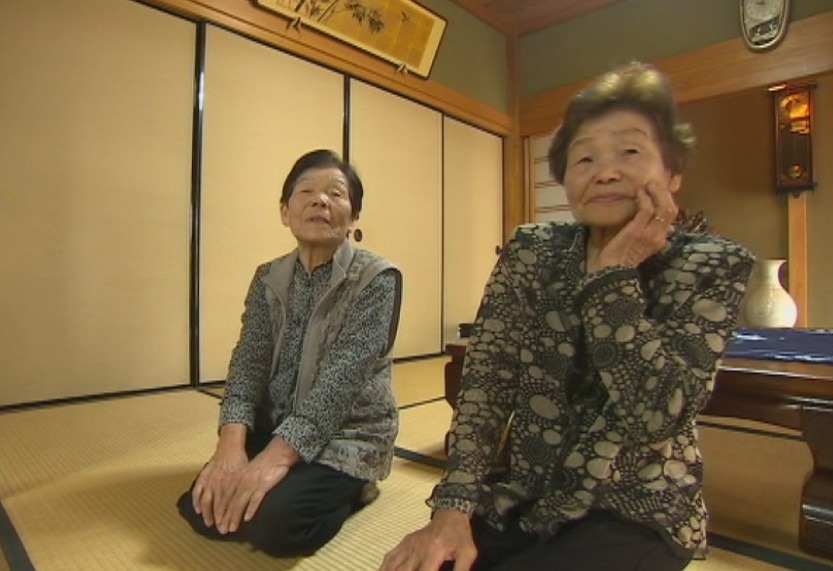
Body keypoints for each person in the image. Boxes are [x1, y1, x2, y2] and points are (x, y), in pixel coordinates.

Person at [381, 62, 754, 571]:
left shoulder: (710, 264)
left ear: (671, 173)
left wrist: (614, 275)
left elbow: (657, 417)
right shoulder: (533, 250)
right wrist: (450, 511)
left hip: (639, 510)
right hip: (527, 496)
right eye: (584, 158)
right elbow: (487, 382)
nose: (605, 171)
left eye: (630, 151)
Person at [177, 149, 403, 557]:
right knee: (200, 506)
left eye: (336, 194)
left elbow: (341, 383)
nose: (321, 201)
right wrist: (229, 449)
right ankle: (277, 479)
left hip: (346, 434)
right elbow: (248, 363)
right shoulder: (268, 277)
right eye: (307, 191)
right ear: (285, 211)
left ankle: (355, 489)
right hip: (279, 423)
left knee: (277, 528)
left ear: (353, 218)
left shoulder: (377, 279)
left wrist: (273, 460)